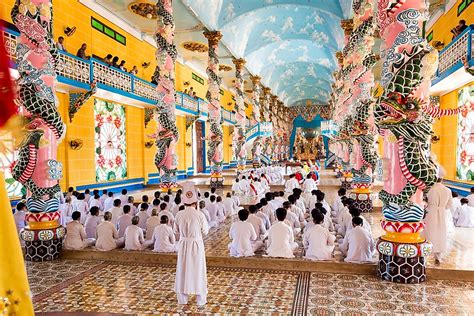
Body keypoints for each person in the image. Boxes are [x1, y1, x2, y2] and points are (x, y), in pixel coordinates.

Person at [174, 181, 209, 306]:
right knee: (198, 269)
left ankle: (182, 299)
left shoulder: (179, 214)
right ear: (196, 201)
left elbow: (175, 231)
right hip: (196, 245)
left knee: (183, 269)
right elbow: (205, 231)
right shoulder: (200, 215)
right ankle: (200, 299)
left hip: (183, 244)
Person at [424, 178, 453, 264]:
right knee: (440, 233)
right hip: (442, 213)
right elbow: (449, 205)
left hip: (430, 213)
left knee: (428, 233)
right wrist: (441, 208)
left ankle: (425, 256)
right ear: (442, 179)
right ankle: (438, 257)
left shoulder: (428, 189)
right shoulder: (448, 190)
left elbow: (423, 202)